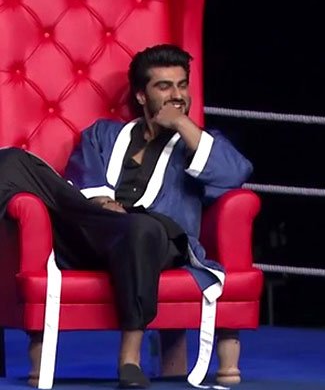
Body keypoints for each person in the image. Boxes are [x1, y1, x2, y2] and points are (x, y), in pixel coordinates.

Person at [0, 44, 252, 388]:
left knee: (140, 227)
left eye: (182, 85)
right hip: (95, 232)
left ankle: (129, 359)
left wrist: (181, 123)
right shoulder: (104, 134)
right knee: (12, 160)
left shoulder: (197, 143)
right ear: (141, 95)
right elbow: (83, 177)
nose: (177, 95)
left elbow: (235, 174)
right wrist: (102, 201)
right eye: (164, 87)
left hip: (157, 240)